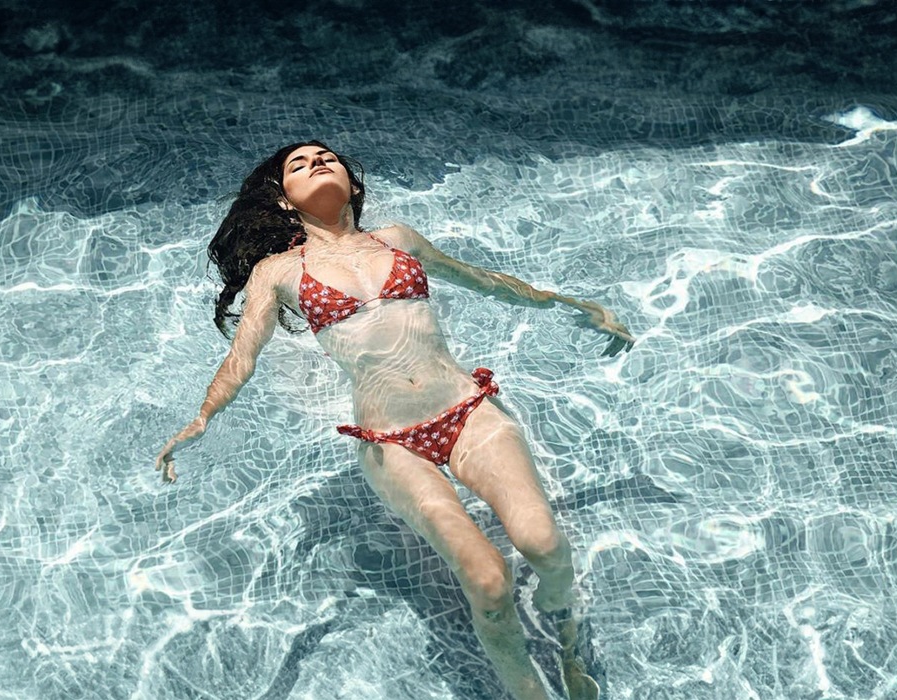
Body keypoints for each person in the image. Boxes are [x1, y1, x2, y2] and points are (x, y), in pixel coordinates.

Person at [154, 141, 633, 700]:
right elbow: (243, 355)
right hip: (392, 442)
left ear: (353, 186)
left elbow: (484, 280)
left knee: (544, 544)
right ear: (284, 202)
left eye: (325, 157)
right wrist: (203, 416)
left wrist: (571, 304)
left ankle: (570, 643)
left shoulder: (397, 240)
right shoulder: (279, 271)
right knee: (486, 580)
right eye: (298, 165)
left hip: (469, 412)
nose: (315, 163)